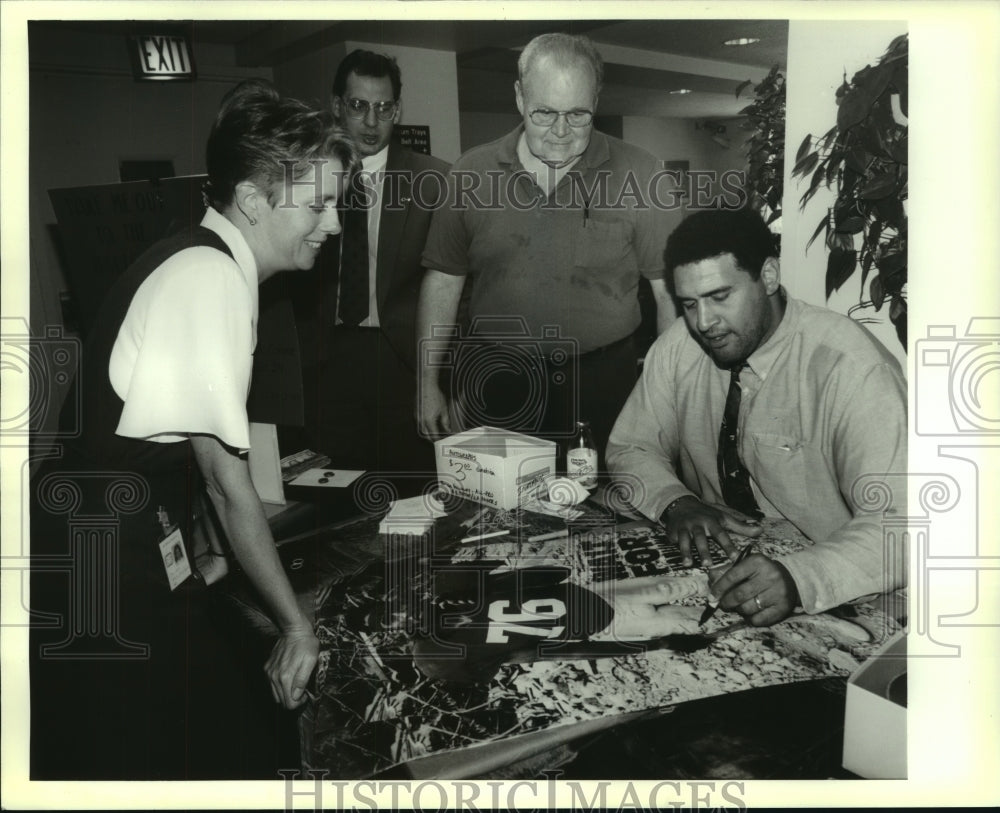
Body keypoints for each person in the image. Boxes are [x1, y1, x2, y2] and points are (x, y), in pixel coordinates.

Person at [29, 78, 357, 779]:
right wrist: (296, 624)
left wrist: (204, 554)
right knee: (176, 751)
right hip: (101, 550)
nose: (333, 223)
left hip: (110, 528)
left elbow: (183, 450)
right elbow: (223, 476)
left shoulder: (199, 259)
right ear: (253, 199)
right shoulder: (211, 280)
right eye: (319, 203)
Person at [606, 208, 907, 626]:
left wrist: (799, 578)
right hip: (718, 576)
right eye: (689, 304)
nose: (704, 323)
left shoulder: (851, 367)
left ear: (767, 277)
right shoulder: (680, 345)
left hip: (834, 587)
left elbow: (902, 526)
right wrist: (676, 502)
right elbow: (632, 445)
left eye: (720, 296)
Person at [416, 32, 680, 464]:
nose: (561, 132)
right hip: (498, 379)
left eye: (578, 114)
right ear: (520, 98)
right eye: (544, 113)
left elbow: (668, 294)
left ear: (597, 99)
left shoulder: (644, 173)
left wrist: (668, 397)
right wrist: (427, 383)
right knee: (498, 518)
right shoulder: (469, 173)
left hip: (605, 382)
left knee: (610, 513)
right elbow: (443, 281)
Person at [290, 48, 449, 473]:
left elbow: (455, 288)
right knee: (336, 489)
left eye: (384, 108)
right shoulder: (305, 176)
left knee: (411, 488)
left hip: (401, 360)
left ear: (397, 110)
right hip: (326, 358)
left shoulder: (435, 181)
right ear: (337, 105)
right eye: (359, 106)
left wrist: (435, 376)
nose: (372, 122)